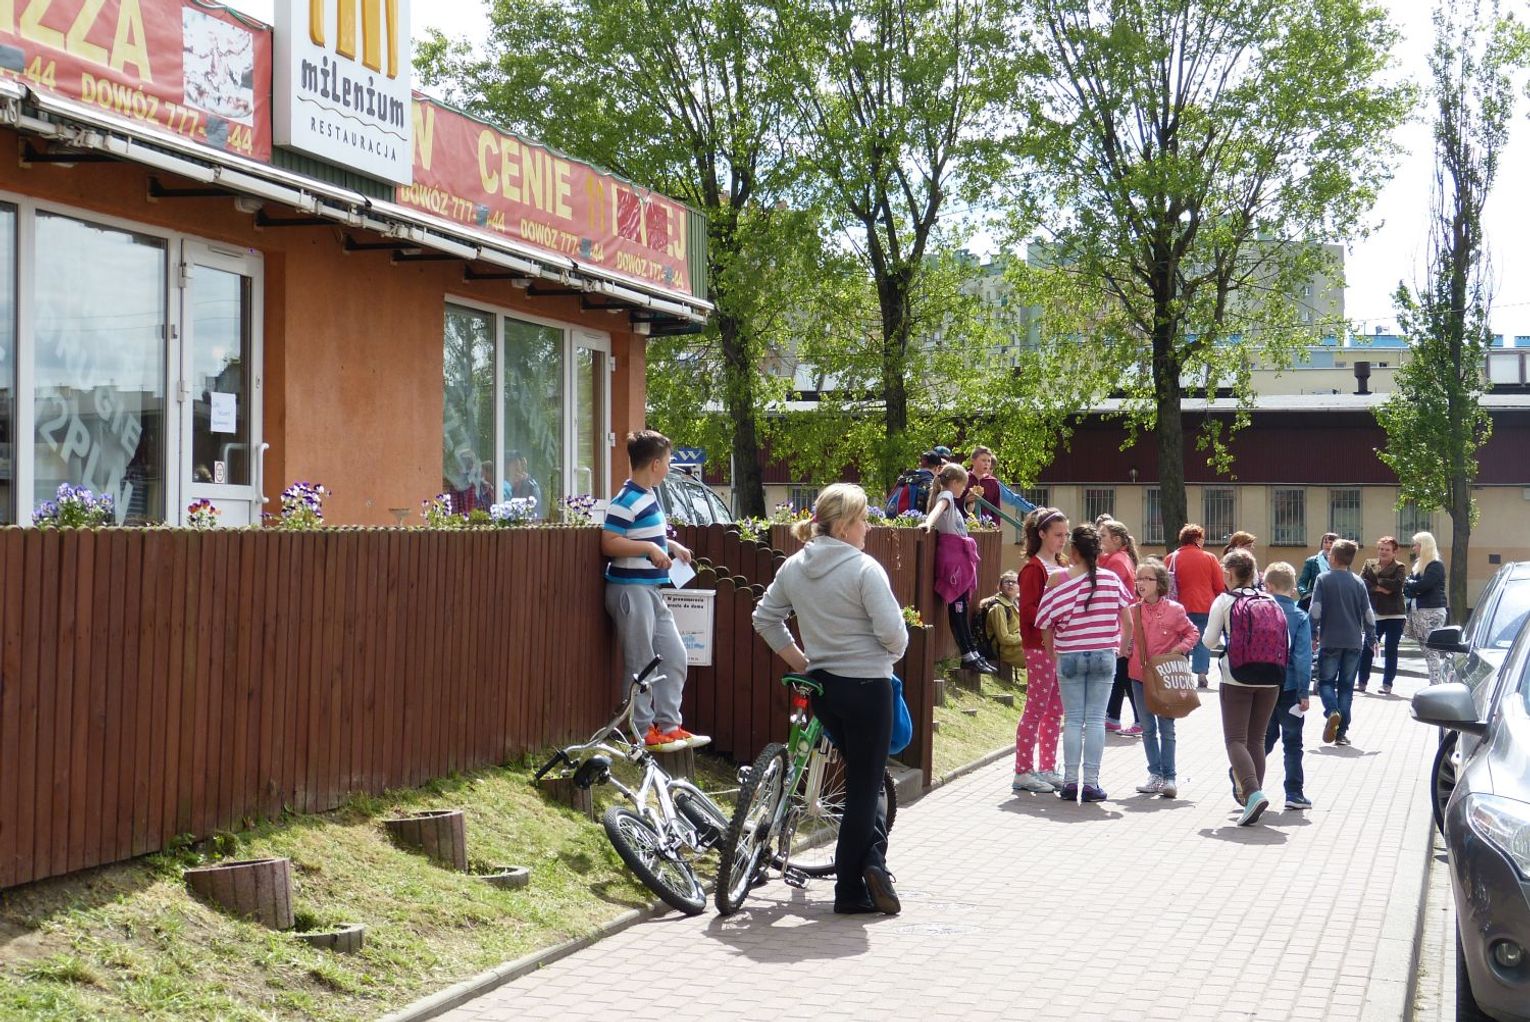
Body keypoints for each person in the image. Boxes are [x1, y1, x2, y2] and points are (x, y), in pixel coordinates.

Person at [752, 483, 908, 916]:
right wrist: (887, 655)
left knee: (863, 778)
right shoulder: (864, 569)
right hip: (868, 687)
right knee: (863, 787)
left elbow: (765, 618)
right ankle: (851, 890)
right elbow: (894, 635)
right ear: (843, 527)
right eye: (863, 520)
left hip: (823, 689)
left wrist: (802, 662)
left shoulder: (794, 567)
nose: (868, 528)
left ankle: (872, 861)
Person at [601, 430, 709, 752]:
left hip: (651, 590)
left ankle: (669, 726)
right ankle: (641, 731)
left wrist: (670, 546)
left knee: (674, 655)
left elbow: (642, 535)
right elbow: (609, 543)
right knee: (641, 661)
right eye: (669, 460)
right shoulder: (625, 500)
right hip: (630, 590)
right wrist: (650, 548)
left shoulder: (648, 496)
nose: (670, 465)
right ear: (656, 464)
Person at [1036, 523, 1134, 803]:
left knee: (1073, 720)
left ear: (1074, 551)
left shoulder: (1057, 580)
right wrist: (1121, 648)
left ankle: (1070, 783)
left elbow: (1044, 623)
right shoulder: (1111, 580)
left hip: (1069, 655)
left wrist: (1053, 653)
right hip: (1104, 655)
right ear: (1098, 552)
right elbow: (1128, 622)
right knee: (1095, 721)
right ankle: (1091, 784)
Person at [1201, 549, 1285, 825]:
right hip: (1271, 676)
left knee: (1235, 740)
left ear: (1229, 573)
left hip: (1236, 677)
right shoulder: (1270, 600)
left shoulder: (1224, 601)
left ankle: (1252, 793)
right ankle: (1253, 797)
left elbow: (1209, 641)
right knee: (1257, 739)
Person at [1124, 557, 1199, 798]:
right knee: (1147, 728)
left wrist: (1179, 650)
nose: (1141, 583)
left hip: (1165, 678)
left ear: (1160, 582)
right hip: (1139, 676)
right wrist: (1124, 647)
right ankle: (1154, 774)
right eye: (1138, 579)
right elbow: (1124, 640)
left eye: (1147, 578)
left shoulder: (1175, 610)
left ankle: (1169, 778)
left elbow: (1192, 632)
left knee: (1167, 728)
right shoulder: (1132, 611)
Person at [1012, 508, 1070, 794]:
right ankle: (1023, 770)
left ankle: (1047, 767)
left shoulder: (1061, 564)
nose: (1063, 539)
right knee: (1036, 707)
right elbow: (1028, 611)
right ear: (1042, 534)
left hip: (1059, 646)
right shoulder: (1034, 569)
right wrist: (1058, 616)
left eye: (1066, 534)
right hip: (1039, 647)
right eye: (1058, 534)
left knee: (1055, 710)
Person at [924, 462, 998, 675]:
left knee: (962, 607)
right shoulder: (946, 496)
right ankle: (967, 655)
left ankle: (972, 652)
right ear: (955, 482)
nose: (963, 489)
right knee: (958, 609)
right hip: (953, 560)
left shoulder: (951, 498)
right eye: (963, 485)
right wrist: (928, 523)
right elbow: (937, 510)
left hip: (959, 558)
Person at [1311, 539, 1376, 747]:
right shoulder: (1358, 582)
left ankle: (1332, 711)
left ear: (1333, 558)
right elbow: (1368, 613)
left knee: (1325, 682)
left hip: (1330, 640)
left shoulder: (1323, 579)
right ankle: (1341, 733)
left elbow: (1316, 610)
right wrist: (1372, 638)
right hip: (1354, 642)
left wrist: (1312, 634)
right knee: (1347, 687)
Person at [1262, 562, 1314, 810]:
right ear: (1293, 588)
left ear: (1268, 586)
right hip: (1290, 686)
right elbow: (1303, 657)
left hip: (1261, 685)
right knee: (1293, 743)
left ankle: (1245, 779)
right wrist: (1304, 691)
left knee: (1263, 737)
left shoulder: (1259, 611)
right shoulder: (1299, 617)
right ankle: (1294, 793)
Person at [1166, 524, 1226, 689]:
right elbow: (1219, 586)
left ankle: (1181, 673)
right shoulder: (1209, 558)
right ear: (1197, 539)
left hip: (1178, 607)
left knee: (1180, 640)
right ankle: (1201, 674)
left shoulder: (1171, 558)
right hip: (1204, 606)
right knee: (1202, 640)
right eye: (1202, 538)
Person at [1099, 519, 1143, 736]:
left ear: (1116, 539)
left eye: (1103, 536)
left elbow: (1106, 591)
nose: (1099, 540)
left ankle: (1140, 718)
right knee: (1120, 673)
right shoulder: (1119, 558)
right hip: (1122, 623)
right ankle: (1113, 717)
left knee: (1125, 673)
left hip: (1122, 624)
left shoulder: (1117, 561)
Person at [1358, 536, 1408, 694]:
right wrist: (1379, 588)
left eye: (1387, 549)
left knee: (1391, 649)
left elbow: (1397, 585)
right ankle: (1362, 682)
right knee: (1368, 648)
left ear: (1394, 552)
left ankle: (1387, 684)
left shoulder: (1400, 567)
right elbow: (1361, 582)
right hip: (1374, 613)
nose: (1383, 552)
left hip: (1395, 614)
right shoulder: (1369, 563)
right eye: (1380, 549)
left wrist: (1375, 582)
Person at [1405, 531, 1449, 685]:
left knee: (1430, 649)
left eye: (1416, 545)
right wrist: (1411, 585)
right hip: (1419, 610)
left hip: (1431, 611)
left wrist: (1410, 583)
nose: (1414, 548)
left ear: (1424, 546)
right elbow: (1410, 588)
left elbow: (1422, 586)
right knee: (1426, 649)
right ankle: (1435, 681)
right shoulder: (1420, 565)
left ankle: (1436, 683)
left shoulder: (1435, 565)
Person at [985, 570, 1025, 673]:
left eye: (1014, 582)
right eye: (1007, 582)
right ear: (1000, 587)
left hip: (1015, 646)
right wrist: (1024, 638)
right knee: (1040, 652)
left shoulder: (1014, 605)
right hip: (1004, 650)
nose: (1010, 584)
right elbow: (1003, 639)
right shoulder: (998, 607)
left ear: (1019, 587)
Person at [1297, 532, 1339, 610]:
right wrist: (1306, 595)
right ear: (1322, 544)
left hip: (1334, 602)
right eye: (1325, 542)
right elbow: (1301, 583)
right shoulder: (1312, 561)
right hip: (1314, 602)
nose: (1328, 545)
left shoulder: (1341, 563)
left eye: (1331, 543)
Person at [501, 449, 545, 518]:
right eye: (513, 464)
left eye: (516, 464)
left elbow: (535, 511)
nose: (516, 467)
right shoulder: (504, 485)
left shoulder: (530, 485)